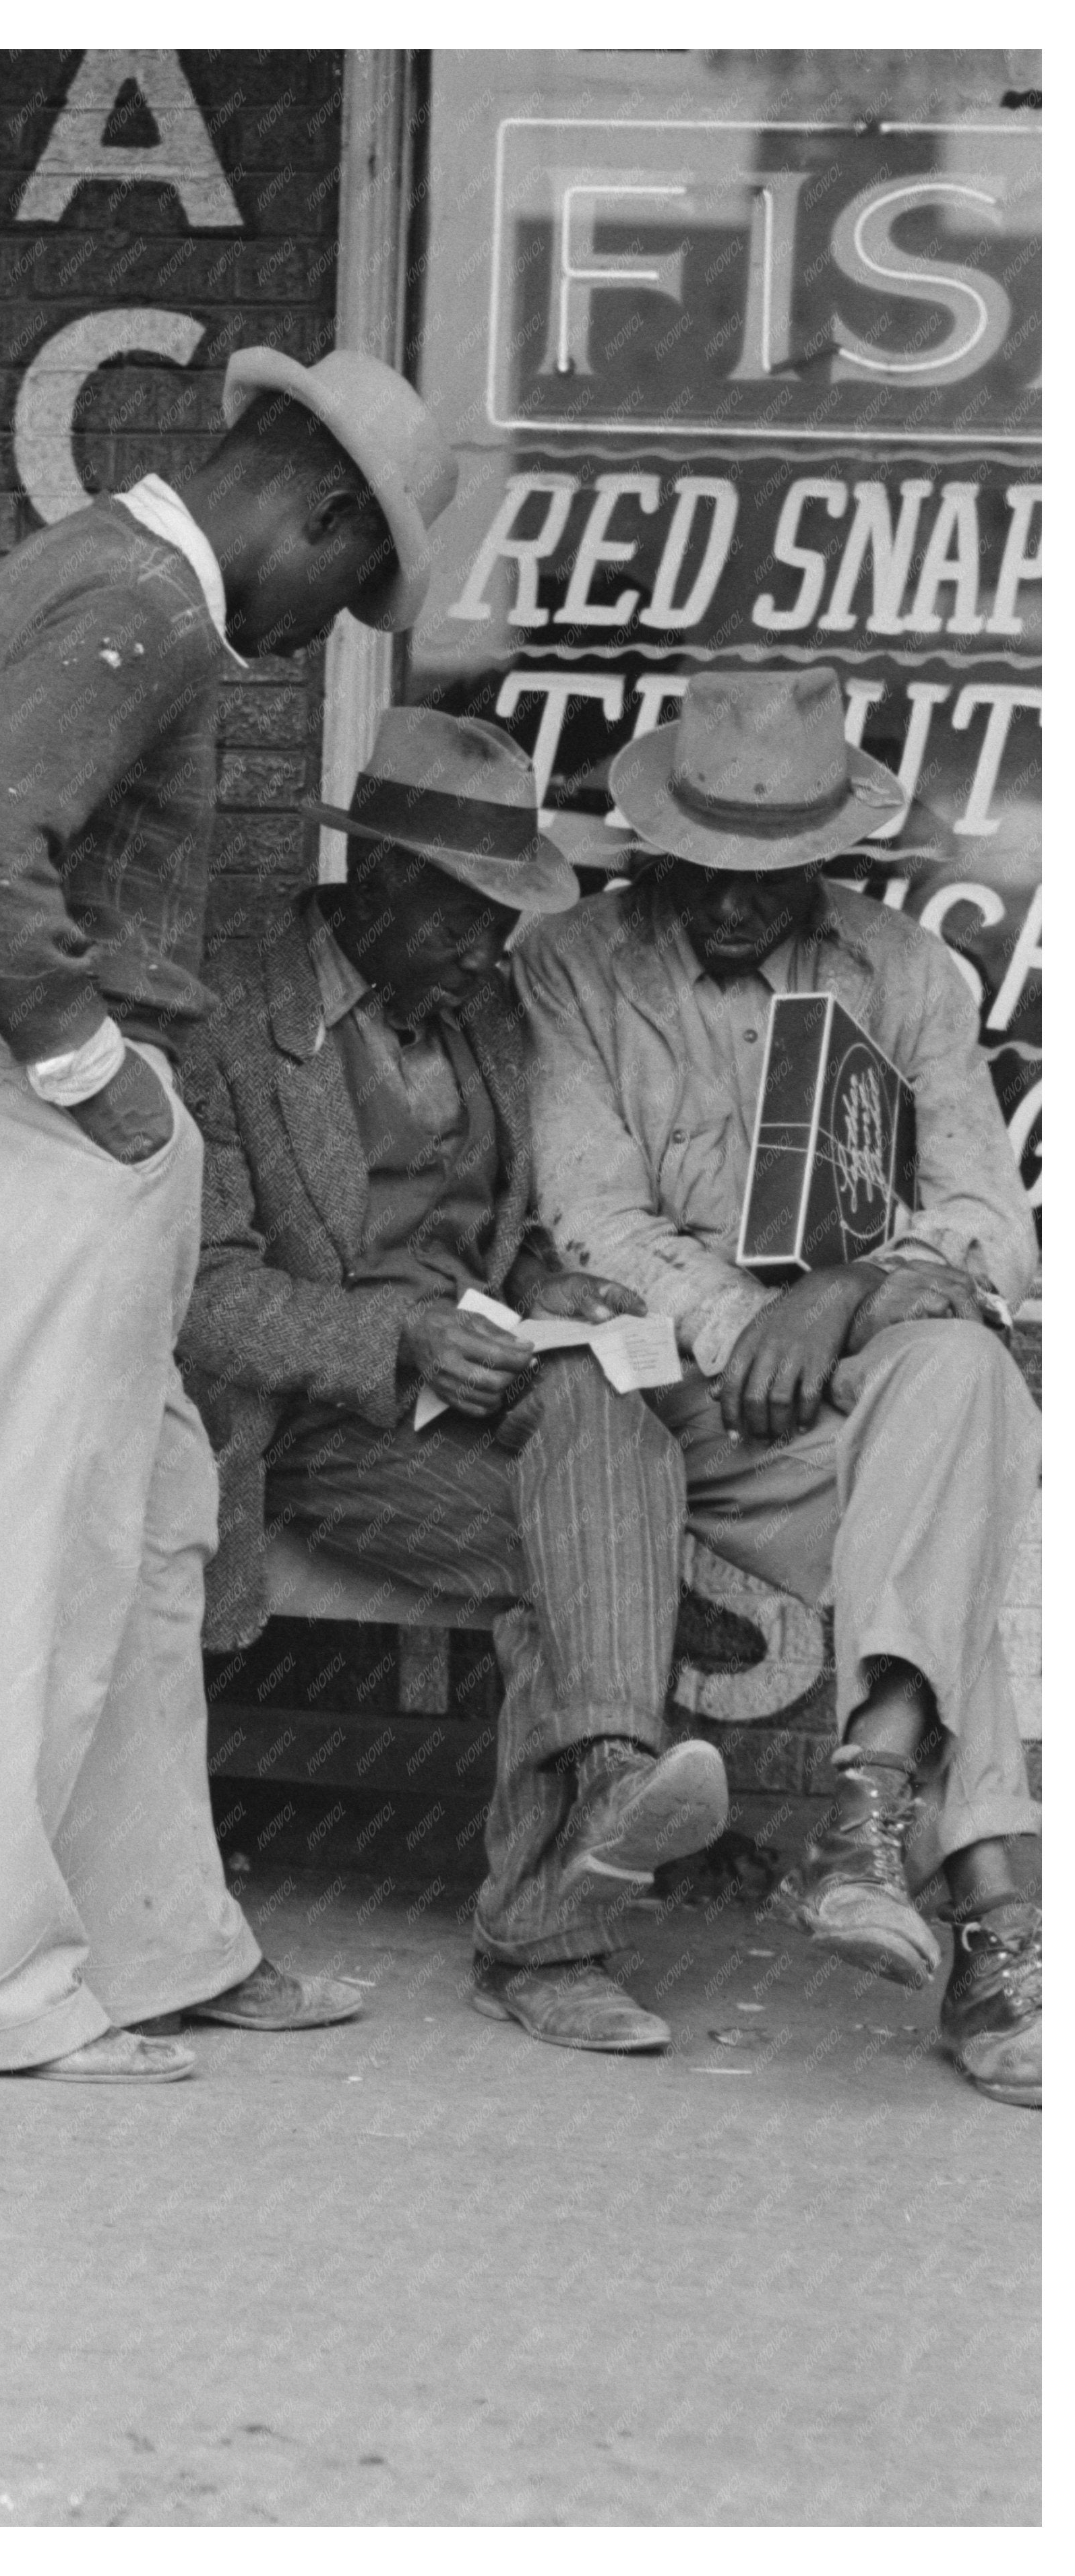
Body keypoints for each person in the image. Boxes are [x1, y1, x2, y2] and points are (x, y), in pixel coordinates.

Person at [0, 346, 458, 2083]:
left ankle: (153, 1942)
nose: (324, 634)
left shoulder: (71, 563)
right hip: (33, 1109)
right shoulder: (154, 609)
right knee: (43, 1552)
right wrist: (90, 1069)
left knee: (156, 1519)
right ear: (323, 513)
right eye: (350, 592)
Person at [515, 666, 1042, 2108]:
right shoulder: (572, 963)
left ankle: (869, 1801)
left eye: (772, 871)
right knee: (957, 1500)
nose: (732, 899)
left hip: (854, 1404)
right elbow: (590, 1217)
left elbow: (993, 1223)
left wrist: (843, 1294)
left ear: (831, 854)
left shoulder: (905, 971)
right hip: (676, 1410)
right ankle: (988, 1925)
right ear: (656, 839)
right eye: (702, 864)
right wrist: (752, 1326)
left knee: (960, 1370)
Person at [177, 708, 737, 2057]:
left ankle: (607, 1777)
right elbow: (202, 1292)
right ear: (376, 882)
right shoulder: (227, 1018)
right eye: (465, 919)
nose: (490, 951)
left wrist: (552, 1289)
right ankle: (550, 1937)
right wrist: (401, 1338)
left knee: (601, 1432)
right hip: (312, 1417)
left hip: (481, 1378)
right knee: (592, 1547)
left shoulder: (479, 1009)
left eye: (501, 921)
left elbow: (498, 1229)